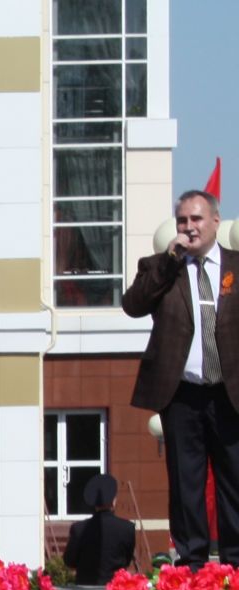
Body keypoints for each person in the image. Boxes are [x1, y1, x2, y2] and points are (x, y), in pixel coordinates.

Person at [124, 189, 239, 568]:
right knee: (186, 483)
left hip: (229, 392)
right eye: (182, 221)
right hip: (183, 395)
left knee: (233, 481)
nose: (189, 228)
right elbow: (134, 305)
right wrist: (171, 259)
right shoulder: (161, 267)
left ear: (216, 222)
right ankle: (192, 562)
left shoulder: (236, 266)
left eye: (197, 219)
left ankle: (236, 562)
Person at [63, 474, 137, 586]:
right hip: (115, 589)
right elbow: (126, 560)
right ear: (114, 501)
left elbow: (69, 560)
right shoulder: (127, 528)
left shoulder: (79, 528)